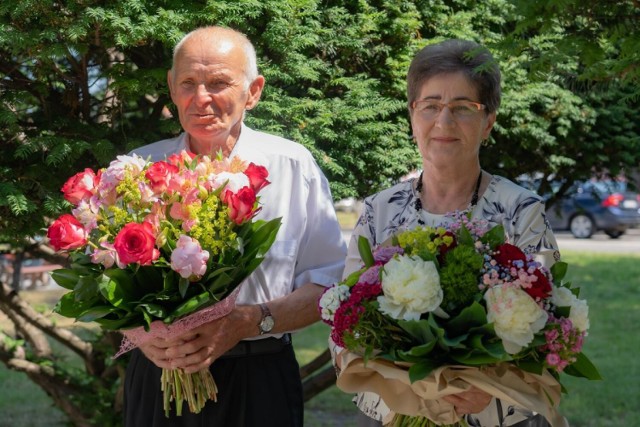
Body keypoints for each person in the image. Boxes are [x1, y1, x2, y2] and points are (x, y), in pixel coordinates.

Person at [123, 26, 347, 427]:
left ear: (254, 91)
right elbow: (112, 281)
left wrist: (247, 321)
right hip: (158, 379)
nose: (201, 97)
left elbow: (328, 285)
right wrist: (143, 336)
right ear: (172, 89)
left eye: (219, 82)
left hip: (258, 378)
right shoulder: (135, 172)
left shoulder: (293, 167)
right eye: (188, 83)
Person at [336, 39, 561, 427]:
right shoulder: (379, 210)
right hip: (394, 415)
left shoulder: (520, 211)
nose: (444, 122)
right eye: (431, 106)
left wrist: (486, 384)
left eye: (462, 108)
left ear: (488, 121)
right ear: (412, 116)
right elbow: (343, 324)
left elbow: (553, 328)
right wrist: (415, 384)